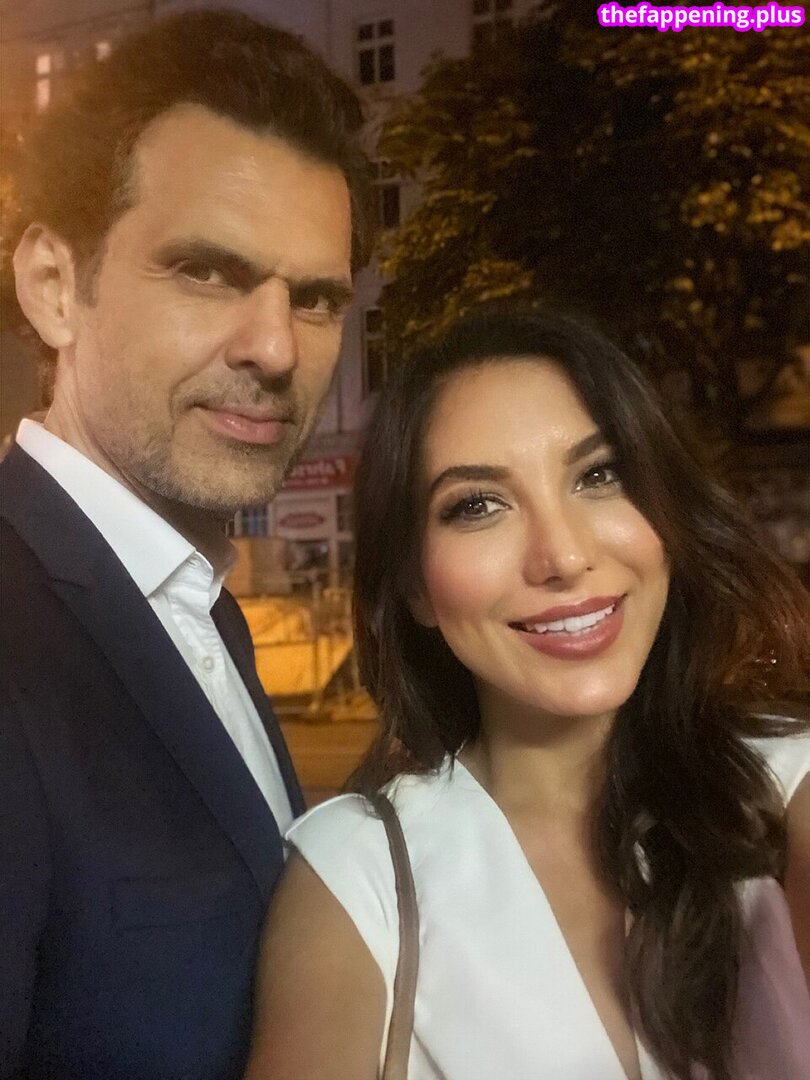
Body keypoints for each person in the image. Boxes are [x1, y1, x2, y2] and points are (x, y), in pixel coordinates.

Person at [246, 311, 810, 1080]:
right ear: (414, 584)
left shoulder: (782, 790)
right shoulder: (358, 877)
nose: (564, 556)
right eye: (478, 504)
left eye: (599, 475)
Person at [0, 10, 372, 1079]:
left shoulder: (193, 606)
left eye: (316, 298)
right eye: (206, 271)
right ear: (55, 287)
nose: (275, 347)